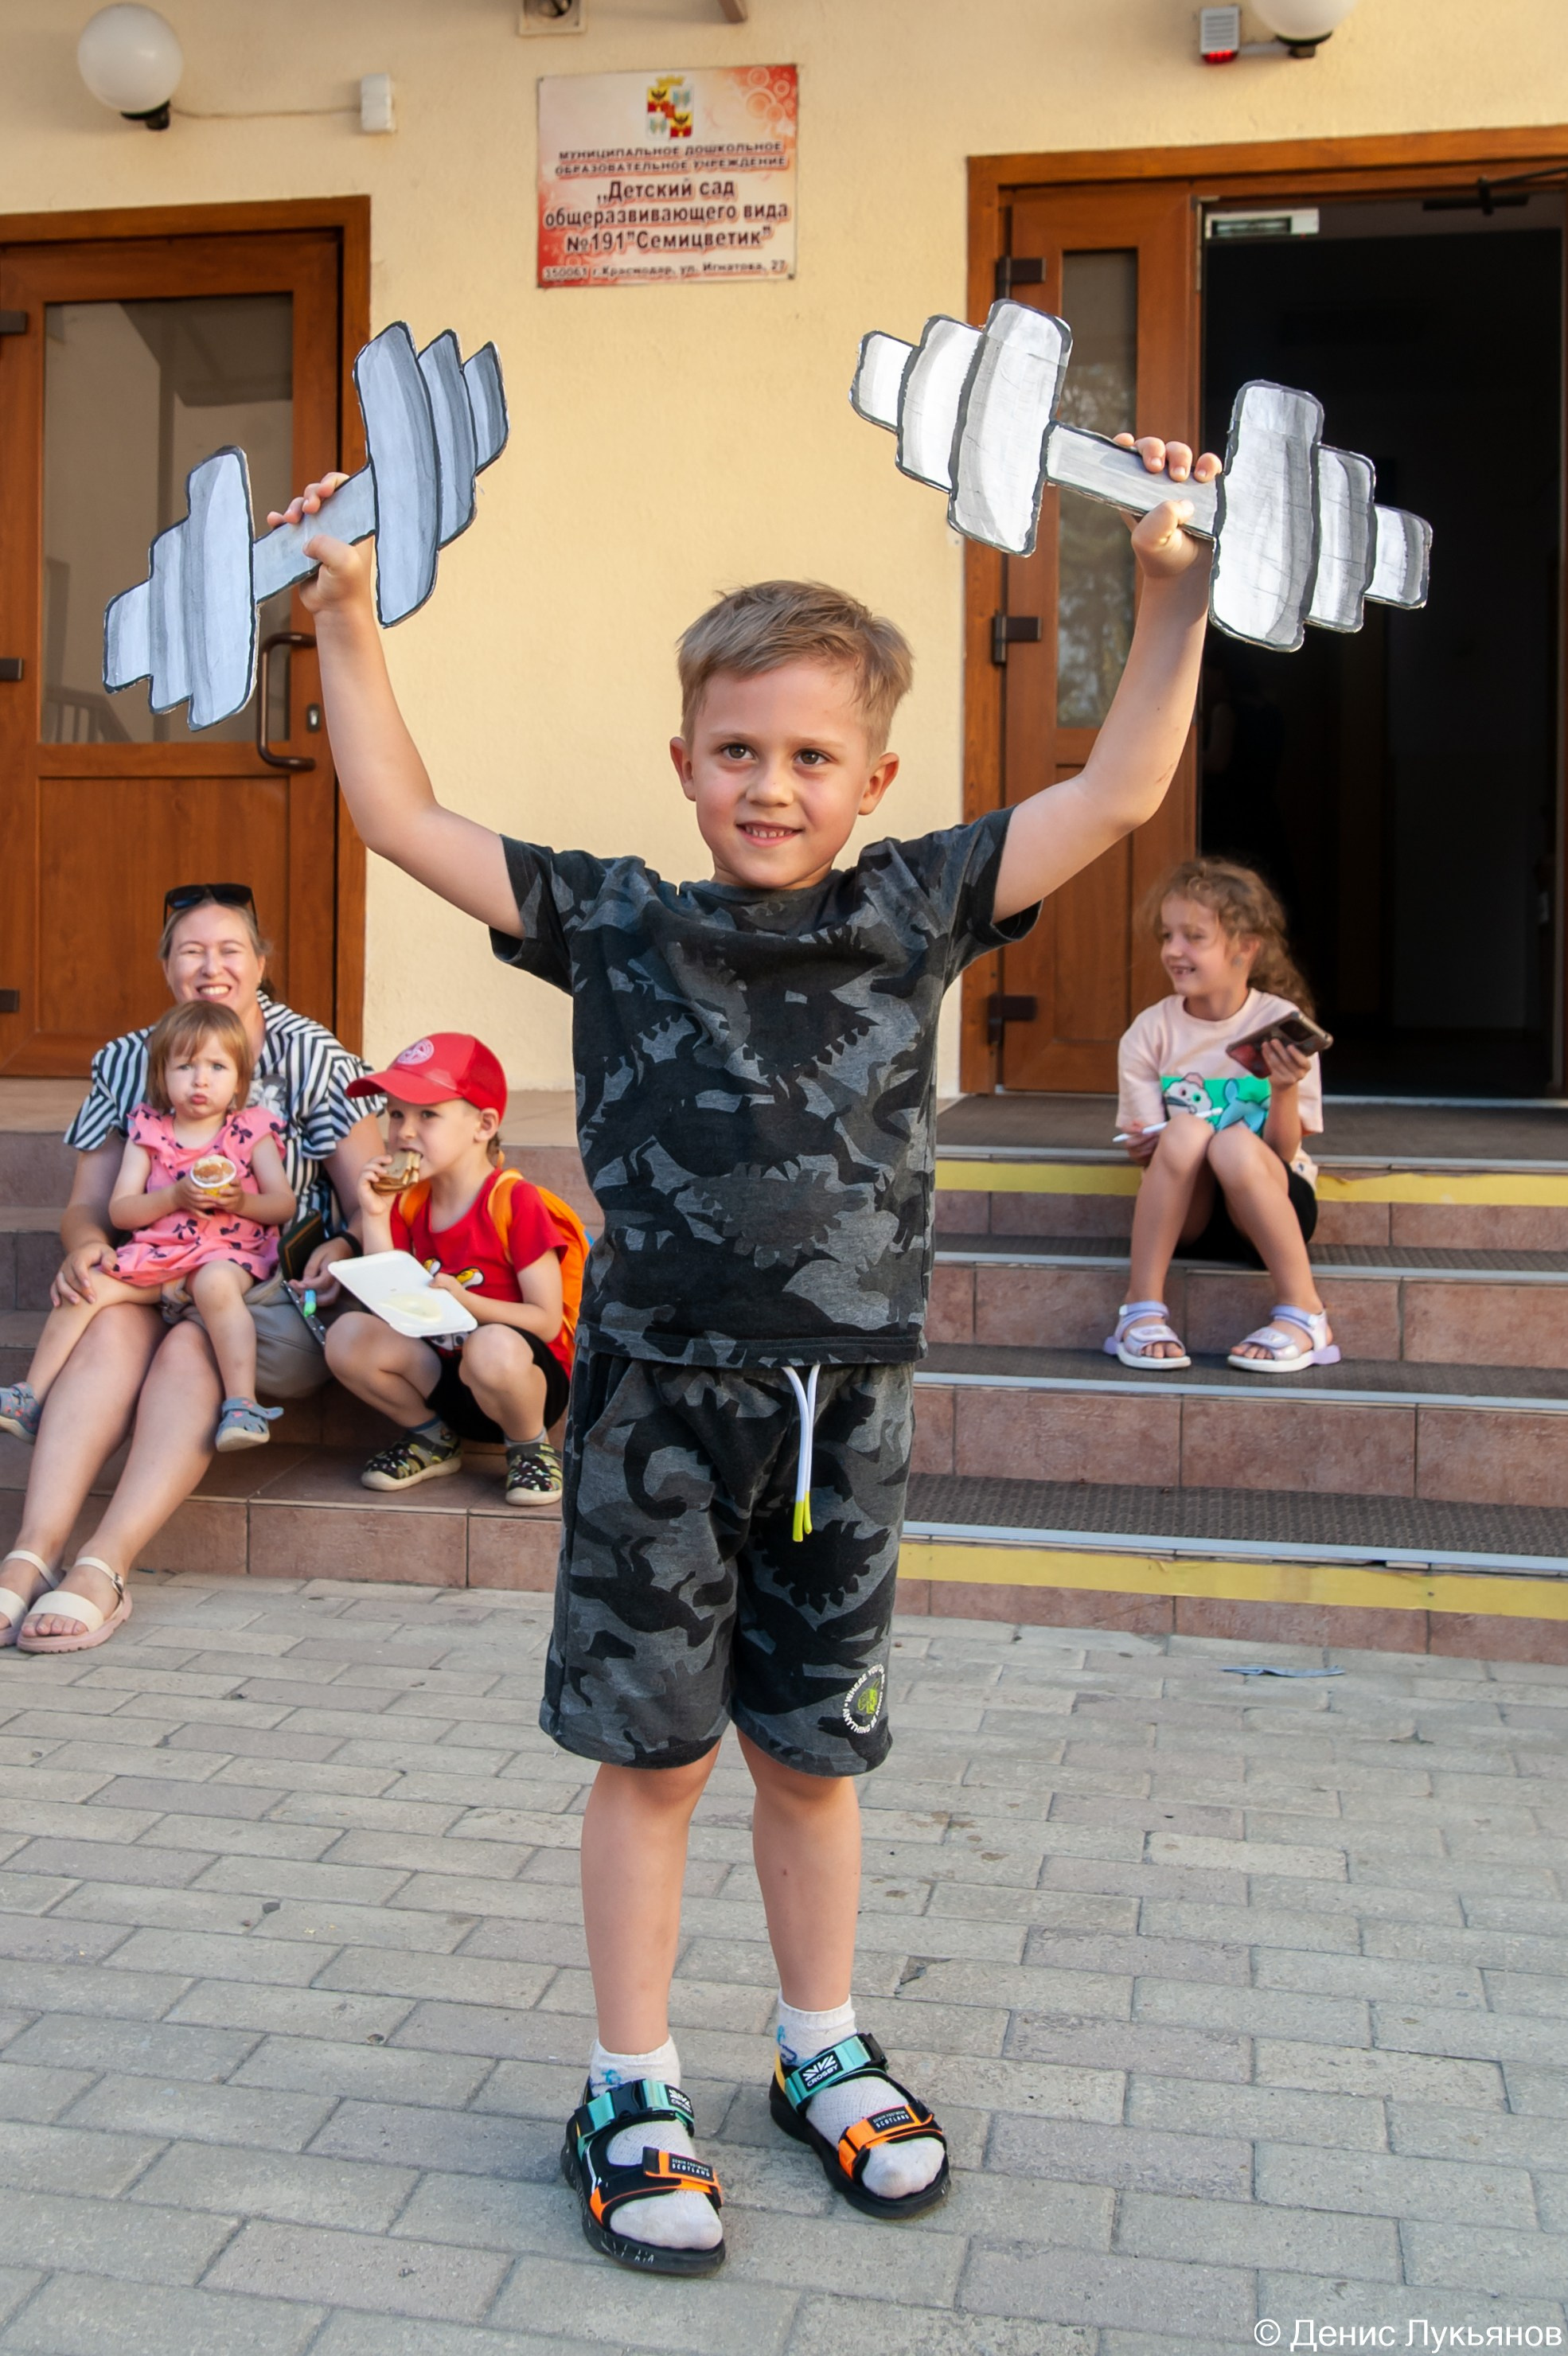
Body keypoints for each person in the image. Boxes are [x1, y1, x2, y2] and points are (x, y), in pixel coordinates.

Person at [272, 419, 1219, 2276]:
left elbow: (1116, 788)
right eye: (735, 751)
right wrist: (348, 617)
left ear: (872, 774)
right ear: (684, 760)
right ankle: (627, 2082)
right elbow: (397, 815)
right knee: (655, 1758)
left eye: (807, 756)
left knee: (813, 1753)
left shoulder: (914, 904)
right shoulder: (619, 921)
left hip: (843, 1412)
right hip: (655, 1409)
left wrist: (1167, 597)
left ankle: (817, 2045)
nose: (769, 785)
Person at [0, 885, 384, 1653]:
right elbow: (89, 1208)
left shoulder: (308, 1054)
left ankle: (104, 1566)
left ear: (261, 963)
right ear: (166, 965)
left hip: (265, 1291)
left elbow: (369, 1202)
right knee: (108, 1332)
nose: (212, 968)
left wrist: (344, 1248)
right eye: (191, 951)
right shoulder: (129, 1059)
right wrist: (84, 1246)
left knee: (190, 1342)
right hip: (154, 1266)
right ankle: (29, 1556)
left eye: (230, 950)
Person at [0, 1003, 295, 1504]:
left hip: (225, 1251)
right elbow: (121, 1211)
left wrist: (240, 1202)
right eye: (185, 1066)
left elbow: (282, 1204)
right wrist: (174, 1196)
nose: (200, 1080)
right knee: (88, 1288)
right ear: (161, 1075)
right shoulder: (148, 1131)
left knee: (215, 1286)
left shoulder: (251, 1130)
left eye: (217, 1066)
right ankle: (30, 1395)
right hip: (157, 1257)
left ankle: (242, 1403)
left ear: (239, 1080)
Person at [326, 1031, 575, 1507]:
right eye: (396, 1114)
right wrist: (374, 1216)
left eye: (428, 1115)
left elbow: (545, 1321)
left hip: (519, 1382)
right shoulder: (408, 1201)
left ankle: (531, 1449)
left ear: (484, 1124)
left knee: (490, 1345)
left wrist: (466, 1302)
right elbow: (387, 1310)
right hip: (442, 1377)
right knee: (346, 1336)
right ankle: (432, 1438)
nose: (405, 1132)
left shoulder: (515, 1201)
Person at [1108, 856, 1333, 1373]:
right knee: (1186, 1132)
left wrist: (1283, 1089)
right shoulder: (1149, 1033)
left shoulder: (1282, 1024)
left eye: (1194, 937)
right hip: (1188, 1216)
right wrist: (1146, 1148)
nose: (1173, 950)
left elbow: (1281, 1154)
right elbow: (1155, 1159)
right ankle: (1140, 1308)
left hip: (1272, 1209)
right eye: (1168, 935)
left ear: (1245, 947)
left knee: (1232, 1142)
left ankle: (1305, 1313)